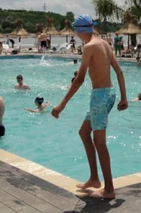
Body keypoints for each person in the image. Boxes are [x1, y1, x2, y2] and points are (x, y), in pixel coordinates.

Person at [51, 14, 128, 200]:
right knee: (84, 133)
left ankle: (109, 189)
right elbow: (118, 70)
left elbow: (79, 79)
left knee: (99, 142)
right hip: (108, 94)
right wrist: (123, 97)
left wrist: (62, 105)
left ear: (79, 31)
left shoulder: (89, 47)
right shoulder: (105, 44)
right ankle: (94, 179)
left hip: (100, 96)